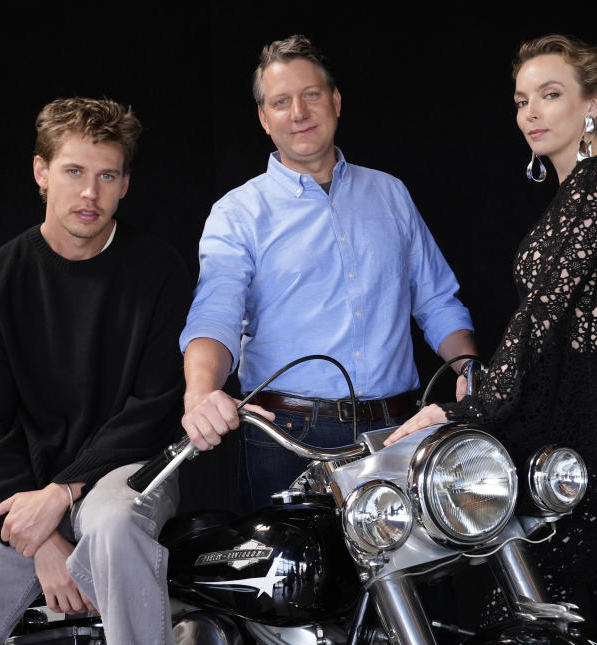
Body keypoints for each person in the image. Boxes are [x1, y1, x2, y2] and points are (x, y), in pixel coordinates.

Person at [385, 35, 597, 645]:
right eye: (521, 100)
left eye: (550, 94)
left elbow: (540, 320)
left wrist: (464, 412)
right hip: (576, 427)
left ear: (594, 104)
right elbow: (543, 325)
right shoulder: (576, 194)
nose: (530, 112)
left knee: (538, 631)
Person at [0, 97, 190, 645]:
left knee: (111, 523)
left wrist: (63, 494)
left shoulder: (159, 270)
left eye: (107, 176)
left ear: (125, 184)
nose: (90, 193)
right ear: (41, 172)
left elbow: (156, 408)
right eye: (74, 172)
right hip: (17, 498)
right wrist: (45, 543)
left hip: (124, 472)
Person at [179, 35, 477, 509]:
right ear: (263, 118)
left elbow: (437, 300)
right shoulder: (236, 213)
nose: (298, 112)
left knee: (417, 580)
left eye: (311, 95)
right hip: (289, 439)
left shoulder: (391, 194)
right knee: (302, 584)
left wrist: (468, 369)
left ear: (335, 102)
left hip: (400, 430)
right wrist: (200, 392)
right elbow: (215, 313)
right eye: (281, 101)